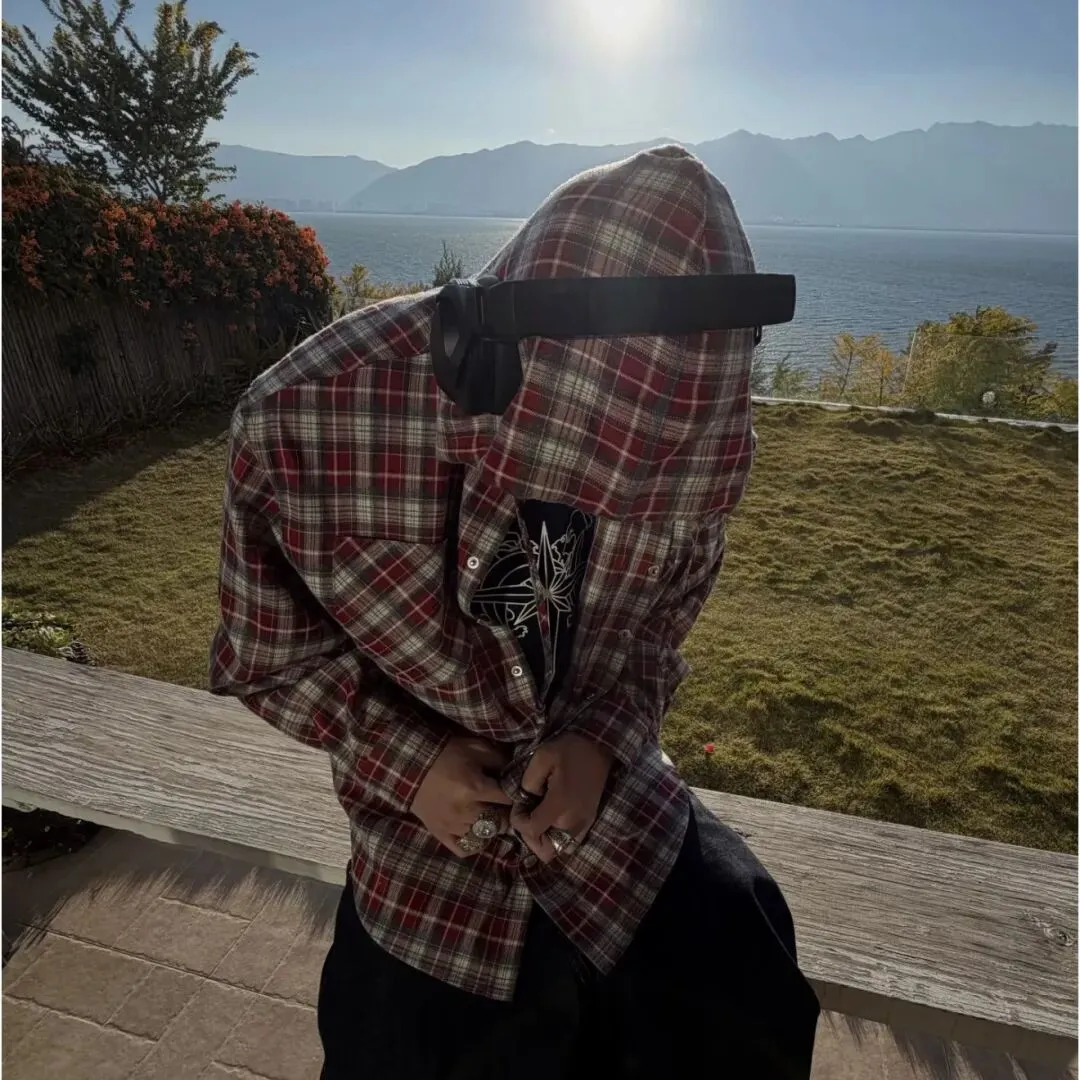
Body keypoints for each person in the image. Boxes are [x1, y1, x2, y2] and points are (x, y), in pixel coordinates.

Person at [210, 144, 820, 1079]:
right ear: (485, 354)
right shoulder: (300, 422)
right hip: (421, 873)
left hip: (618, 831)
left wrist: (603, 738)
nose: (613, 504)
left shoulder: (702, 445)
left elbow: (658, 632)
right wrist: (407, 763)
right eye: (581, 473)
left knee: (753, 993)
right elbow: (264, 658)